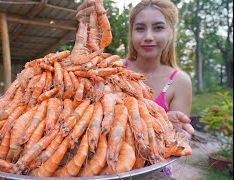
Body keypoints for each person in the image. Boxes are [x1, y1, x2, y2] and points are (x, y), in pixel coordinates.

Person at [76, 0, 195, 177]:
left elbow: (179, 138)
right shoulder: (113, 68)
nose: (148, 36)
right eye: (140, 28)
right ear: (131, 33)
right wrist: (86, 27)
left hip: (154, 171)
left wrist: (169, 125)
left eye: (158, 27)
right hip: (107, 165)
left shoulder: (180, 81)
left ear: (171, 32)